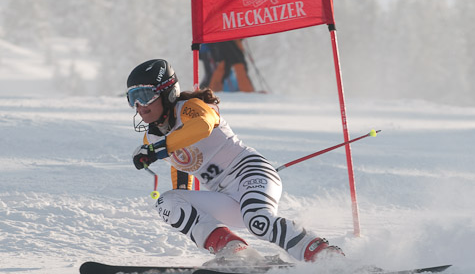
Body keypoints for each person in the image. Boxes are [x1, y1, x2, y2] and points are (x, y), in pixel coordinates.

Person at [127, 59, 343, 263]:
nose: (139, 105)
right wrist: (183, 196)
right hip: (225, 196)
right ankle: (234, 251)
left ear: (167, 93)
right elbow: (179, 163)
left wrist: (160, 149)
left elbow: (203, 126)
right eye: (132, 98)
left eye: (145, 95)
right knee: (167, 201)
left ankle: (323, 255)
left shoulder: (190, 108)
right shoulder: (152, 138)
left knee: (258, 221)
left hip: (251, 173)